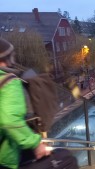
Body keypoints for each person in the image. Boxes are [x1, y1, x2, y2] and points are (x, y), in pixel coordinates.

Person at [0, 37, 51, 169]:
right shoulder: (8, 81)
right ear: (7, 59)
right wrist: (35, 143)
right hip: (5, 159)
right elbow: (10, 121)